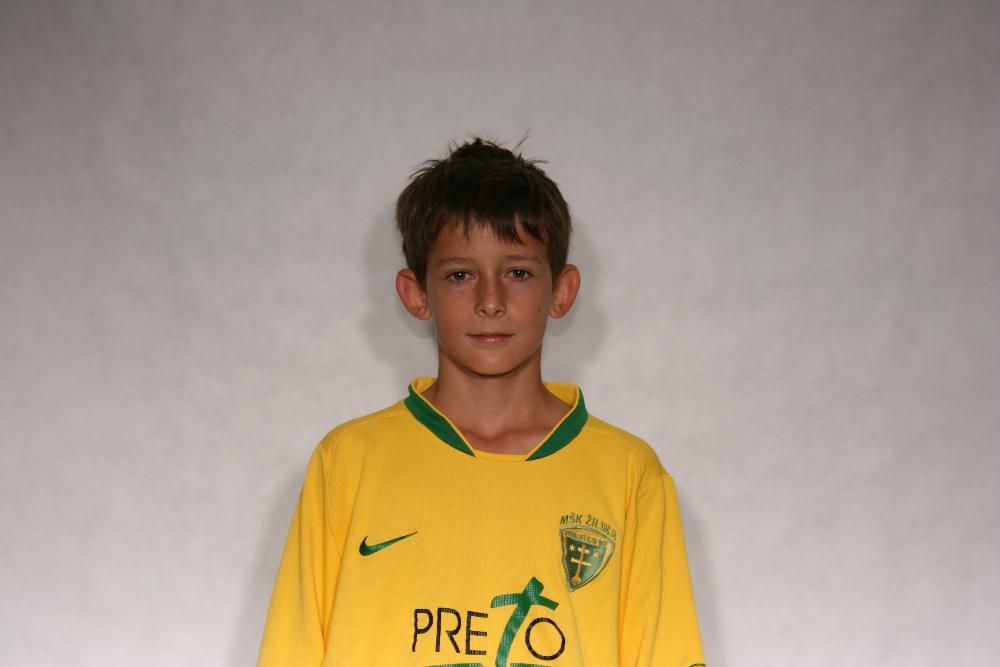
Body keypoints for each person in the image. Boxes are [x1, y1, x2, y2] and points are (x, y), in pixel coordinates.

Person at [257, 137, 706, 666]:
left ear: (561, 291)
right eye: (460, 275)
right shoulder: (348, 463)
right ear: (416, 293)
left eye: (518, 273)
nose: (490, 301)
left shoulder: (630, 475)